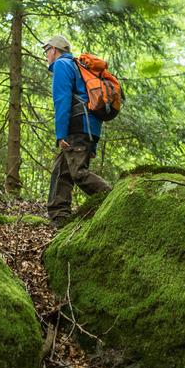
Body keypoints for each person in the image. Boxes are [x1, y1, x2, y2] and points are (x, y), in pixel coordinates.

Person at [44, 35, 111, 227]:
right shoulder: (78, 66)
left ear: (54, 50)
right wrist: (93, 141)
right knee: (61, 171)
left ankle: (115, 199)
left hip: (76, 127)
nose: (46, 55)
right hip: (88, 127)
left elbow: (62, 100)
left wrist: (61, 134)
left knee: (78, 173)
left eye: (46, 50)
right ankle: (59, 218)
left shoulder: (62, 65)